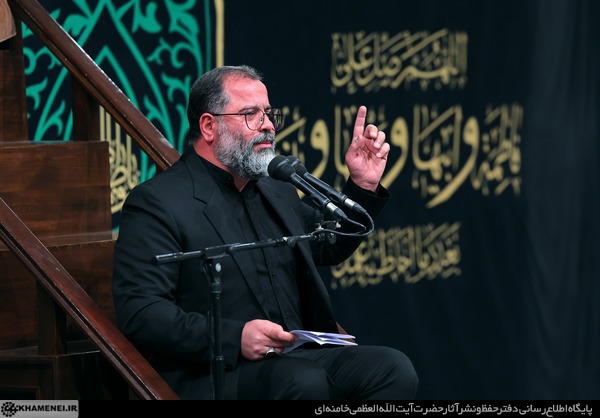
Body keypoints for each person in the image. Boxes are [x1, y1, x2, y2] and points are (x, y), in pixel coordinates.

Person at [112, 65, 418, 400]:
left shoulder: (275, 188)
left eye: (269, 114)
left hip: (298, 356)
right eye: (250, 114)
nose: (268, 125)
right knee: (304, 382)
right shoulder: (157, 201)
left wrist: (362, 185)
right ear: (209, 126)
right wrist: (235, 337)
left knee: (393, 369)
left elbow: (327, 245)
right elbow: (141, 312)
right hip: (216, 369)